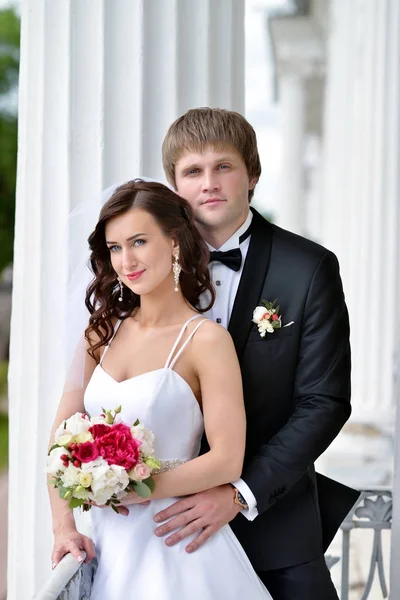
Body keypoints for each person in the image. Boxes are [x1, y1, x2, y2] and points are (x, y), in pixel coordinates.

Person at [151, 107, 359, 600]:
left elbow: (324, 402)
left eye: (224, 166)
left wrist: (239, 494)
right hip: (164, 530)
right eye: (193, 171)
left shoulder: (308, 268)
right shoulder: (146, 271)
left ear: (253, 174)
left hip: (275, 529)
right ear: (174, 186)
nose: (209, 183)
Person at [48, 180, 274, 599]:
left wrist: (134, 488)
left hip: (176, 544)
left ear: (174, 243)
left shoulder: (206, 341)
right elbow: (60, 439)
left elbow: (228, 460)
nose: (126, 260)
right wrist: (64, 526)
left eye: (138, 242)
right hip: (107, 545)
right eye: (114, 248)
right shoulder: (100, 333)